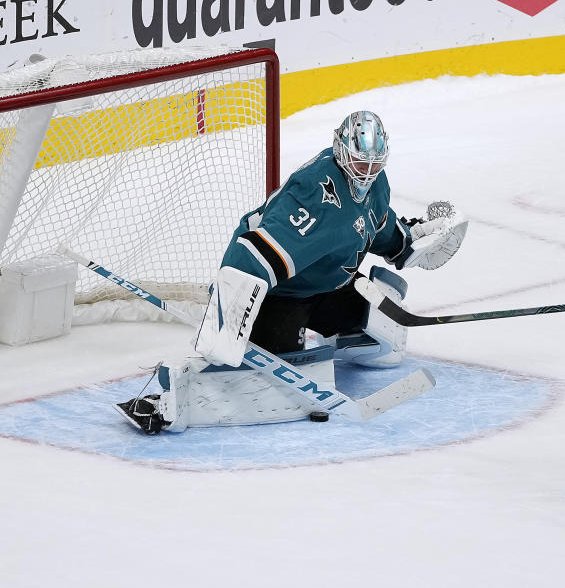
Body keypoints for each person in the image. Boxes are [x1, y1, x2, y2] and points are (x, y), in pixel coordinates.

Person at [117, 110, 468, 434]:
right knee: (274, 377)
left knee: (386, 344)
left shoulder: (376, 182)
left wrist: (406, 247)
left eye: (374, 164)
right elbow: (252, 253)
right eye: (360, 163)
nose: (367, 173)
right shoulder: (313, 193)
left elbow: (371, 221)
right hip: (280, 295)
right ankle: (172, 399)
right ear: (341, 152)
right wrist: (230, 317)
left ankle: (338, 340)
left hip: (329, 284)